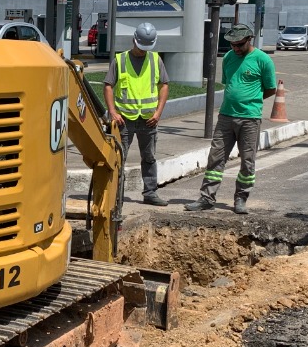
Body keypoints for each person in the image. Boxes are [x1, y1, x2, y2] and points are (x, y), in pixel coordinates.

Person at [184, 24, 277, 215]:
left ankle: (241, 198)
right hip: (226, 116)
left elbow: (270, 88)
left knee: (247, 161)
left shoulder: (263, 60)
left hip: (250, 119)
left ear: (249, 40)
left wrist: (252, 101)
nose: (235, 48)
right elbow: (228, 83)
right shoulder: (228, 57)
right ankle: (207, 198)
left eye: (240, 44)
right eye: (233, 45)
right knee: (215, 158)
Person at [104, 22, 170, 206]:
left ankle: (150, 193)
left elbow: (164, 85)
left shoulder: (156, 59)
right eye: (141, 47)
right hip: (124, 119)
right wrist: (112, 112)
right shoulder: (120, 60)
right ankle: (116, 197)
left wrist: (158, 113)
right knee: (118, 158)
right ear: (134, 40)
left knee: (149, 157)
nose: (143, 51)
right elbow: (108, 85)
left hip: (149, 119)